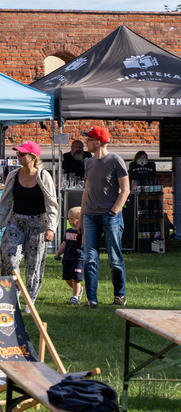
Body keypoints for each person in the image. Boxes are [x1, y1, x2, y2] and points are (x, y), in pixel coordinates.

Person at [0, 141, 59, 302]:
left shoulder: (43, 176)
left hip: (38, 224)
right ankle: (11, 296)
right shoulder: (13, 175)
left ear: (33, 157)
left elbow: (52, 203)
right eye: (18, 153)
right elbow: (5, 204)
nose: (18, 156)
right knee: (9, 257)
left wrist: (51, 228)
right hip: (16, 221)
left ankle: (30, 299)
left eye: (22, 153)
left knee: (34, 264)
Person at [78, 126, 130, 309]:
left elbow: (125, 189)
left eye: (88, 139)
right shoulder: (89, 163)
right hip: (91, 216)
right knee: (89, 258)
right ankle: (92, 300)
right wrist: (82, 216)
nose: (86, 142)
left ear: (97, 142)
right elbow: (87, 191)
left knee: (114, 258)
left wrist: (115, 211)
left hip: (110, 217)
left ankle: (119, 295)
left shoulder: (116, 161)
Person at [54, 206, 85, 305]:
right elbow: (64, 243)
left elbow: (84, 243)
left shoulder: (82, 231)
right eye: (69, 218)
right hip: (67, 258)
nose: (69, 220)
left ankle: (75, 297)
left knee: (75, 278)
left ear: (79, 220)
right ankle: (79, 290)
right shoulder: (68, 231)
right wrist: (59, 253)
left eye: (72, 218)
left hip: (78, 259)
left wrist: (84, 232)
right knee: (68, 279)